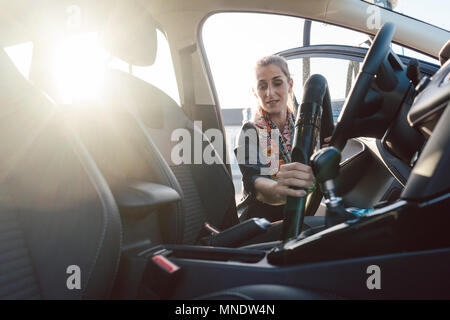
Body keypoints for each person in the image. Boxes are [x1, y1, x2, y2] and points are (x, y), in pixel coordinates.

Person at [235, 55, 330, 222]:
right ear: (254, 92)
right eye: (262, 86)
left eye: (277, 83)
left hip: (300, 209)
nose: (269, 93)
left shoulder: (304, 126)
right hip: (260, 221)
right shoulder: (249, 131)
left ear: (290, 84)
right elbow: (254, 180)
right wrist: (280, 189)